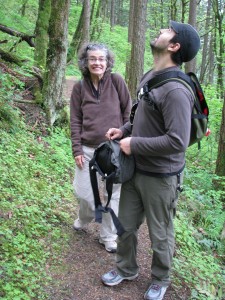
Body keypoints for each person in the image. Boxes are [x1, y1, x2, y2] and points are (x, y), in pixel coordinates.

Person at [101, 21, 200, 299]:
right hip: (136, 169)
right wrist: (124, 130)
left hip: (161, 177)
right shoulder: (151, 74)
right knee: (127, 226)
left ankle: (161, 278)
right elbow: (142, 117)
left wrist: (135, 144)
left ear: (174, 46)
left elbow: (178, 142)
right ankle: (125, 268)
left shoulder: (177, 91)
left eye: (168, 30)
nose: (161, 30)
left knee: (160, 234)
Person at [70, 43, 131, 253]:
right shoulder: (79, 87)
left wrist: (123, 132)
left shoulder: (117, 81)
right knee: (84, 193)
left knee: (113, 195)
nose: (97, 63)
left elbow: (128, 112)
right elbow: (75, 120)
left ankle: (108, 236)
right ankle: (85, 216)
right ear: (86, 62)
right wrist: (76, 149)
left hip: (113, 150)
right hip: (87, 150)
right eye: (93, 59)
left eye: (101, 59)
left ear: (108, 62)